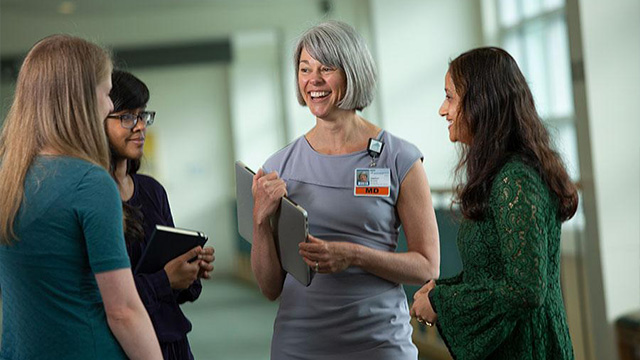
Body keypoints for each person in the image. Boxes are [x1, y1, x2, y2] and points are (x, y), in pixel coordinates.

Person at [251, 21, 440, 359]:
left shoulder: (401, 159)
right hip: (299, 345)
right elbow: (268, 288)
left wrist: (353, 256)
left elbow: (427, 267)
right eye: (305, 69)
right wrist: (260, 221)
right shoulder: (279, 165)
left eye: (327, 68)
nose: (314, 80)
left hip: (380, 343)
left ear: (352, 73)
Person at [0, 35, 162, 359]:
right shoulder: (90, 182)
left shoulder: (8, 177)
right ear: (82, 100)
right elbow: (124, 312)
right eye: (105, 93)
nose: (109, 106)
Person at [410, 47, 578, 359]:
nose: (442, 110)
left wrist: (440, 303)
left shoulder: (515, 180)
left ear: (480, 103)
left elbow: (526, 289)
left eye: (449, 97)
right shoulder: (503, 174)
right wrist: (440, 292)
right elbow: (493, 275)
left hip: (528, 349)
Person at [106, 70, 215, 360]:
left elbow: (174, 288)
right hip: (125, 347)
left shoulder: (152, 191)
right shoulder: (94, 198)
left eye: (143, 115)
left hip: (173, 343)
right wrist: (165, 280)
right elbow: (105, 299)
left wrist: (189, 269)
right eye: (127, 116)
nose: (140, 126)